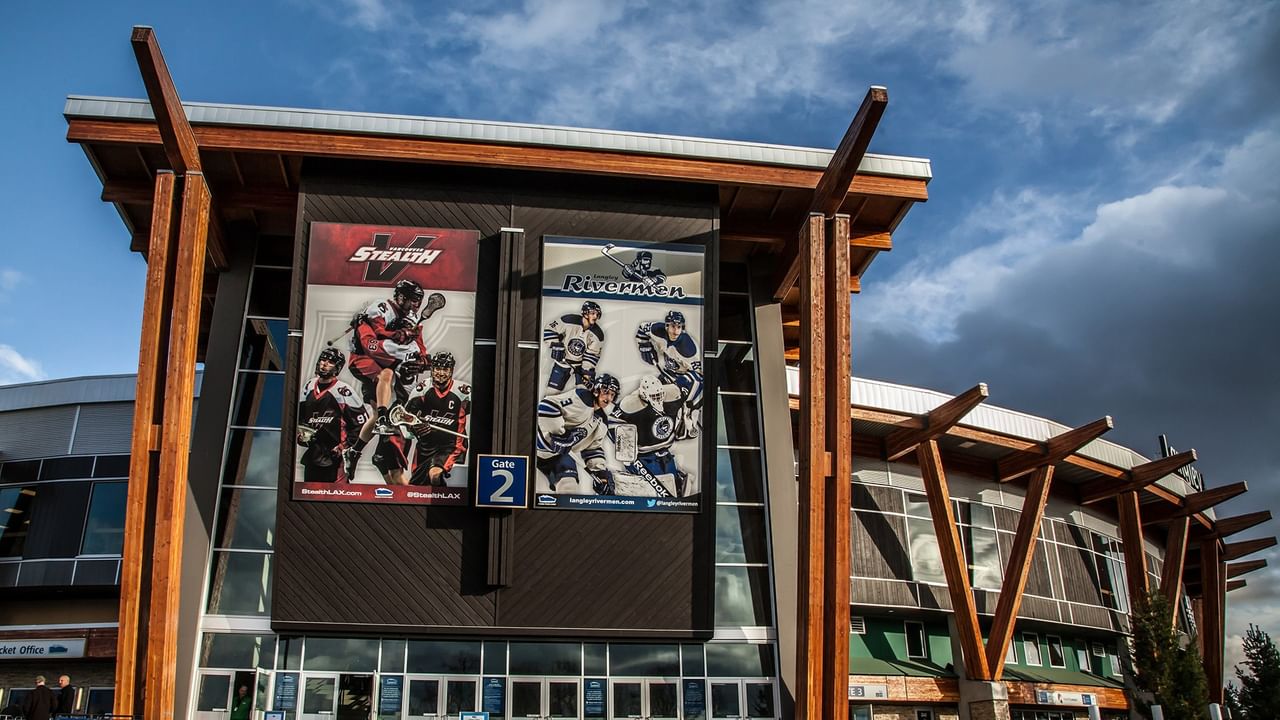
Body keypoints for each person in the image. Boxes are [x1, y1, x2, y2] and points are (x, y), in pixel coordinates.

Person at [535, 374, 620, 494]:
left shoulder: (602, 422)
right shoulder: (582, 398)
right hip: (533, 450)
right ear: (596, 389)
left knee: (569, 487)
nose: (609, 398)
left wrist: (601, 474)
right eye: (606, 392)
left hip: (560, 456)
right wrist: (559, 435)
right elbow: (546, 407)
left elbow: (593, 449)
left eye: (612, 394)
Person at [610, 375, 694, 496]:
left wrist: (689, 411)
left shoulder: (673, 393)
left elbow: (690, 383)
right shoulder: (630, 404)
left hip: (665, 452)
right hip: (644, 456)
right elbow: (612, 423)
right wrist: (626, 450)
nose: (658, 399)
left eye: (660, 395)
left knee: (674, 485)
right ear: (644, 394)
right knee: (652, 489)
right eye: (654, 396)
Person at [296, 348, 367, 483]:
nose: (325, 364)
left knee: (337, 495)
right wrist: (301, 435)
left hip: (335, 458)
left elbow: (361, 423)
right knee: (309, 494)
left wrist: (345, 446)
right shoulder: (309, 386)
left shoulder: (343, 391)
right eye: (323, 360)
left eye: (330, 362)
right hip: (313, 455)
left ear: (337, 367)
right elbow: (299, 416)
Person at [404, 352, 470, 486]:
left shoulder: (463, 393)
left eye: (445, 369)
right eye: (438, 369)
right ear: (432, 369)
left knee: (435, 475)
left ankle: (445, 499)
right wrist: (415, 427)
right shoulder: (421, 391)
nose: (441, 373)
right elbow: (406, 421)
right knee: (416, 490)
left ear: (451, 370)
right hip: (425, 447)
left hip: (452, 446)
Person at [634, 310, 703, 439]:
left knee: (681, 408)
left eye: (679, 327)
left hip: (685, 378)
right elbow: (642, 329)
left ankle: (686, 422)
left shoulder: (689, 348)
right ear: (666, 326)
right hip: (667, 374)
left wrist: (687, 397)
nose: (675, 331)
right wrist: (645, 347)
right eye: (673, 326)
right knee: (650, 396)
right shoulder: (657, 329)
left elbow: (700, 378)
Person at [542, 301, 604, 391]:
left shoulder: (598, 334)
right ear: (585, 313)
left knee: (584, 392)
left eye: (597, 314)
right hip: (562, 363)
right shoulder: (568, 320)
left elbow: (591, 355)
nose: (595, 316)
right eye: (593, 313)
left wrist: (586, 372)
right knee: (551, 393)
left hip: (580, 367)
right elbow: (549, 329)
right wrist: (556, 345)